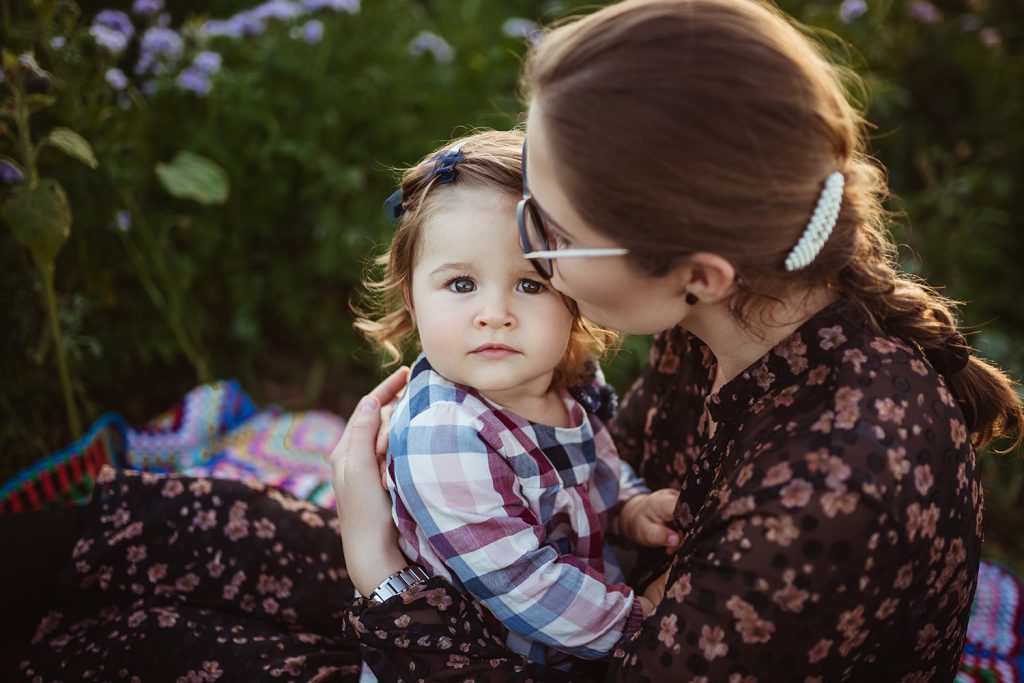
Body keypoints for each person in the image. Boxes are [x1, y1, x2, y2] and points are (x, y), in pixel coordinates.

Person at [330, 0, 1024, 681]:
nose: (528, 256)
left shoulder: (832, 485)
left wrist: (381, 571)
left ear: (698, 273)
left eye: (554, 235)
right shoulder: (718, 317)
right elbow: (603, 472)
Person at [352, 130, 682, 668]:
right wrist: (635, 619)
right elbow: (522, 582)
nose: (494, 313)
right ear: (412, 296)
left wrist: (630, 509)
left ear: (574, 293)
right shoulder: (446, 432)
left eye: (530, 285)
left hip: (577, 624)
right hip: (488, 660)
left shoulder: (565, 377)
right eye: (461, 285)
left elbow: (593, 468)